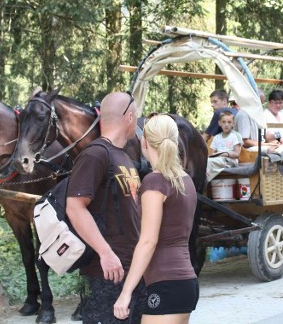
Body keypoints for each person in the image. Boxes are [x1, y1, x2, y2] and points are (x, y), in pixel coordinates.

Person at [66, 91, 145, 324]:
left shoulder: (123, 156)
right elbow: (75, 207)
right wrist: (105, 252)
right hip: (106, 274)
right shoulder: (95, 155)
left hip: (130, 271)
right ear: (129, 117)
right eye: (137, 114)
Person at [113, 114, 199, 323]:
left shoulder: (155, 182)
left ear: (144, 141)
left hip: (166, 284)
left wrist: (126, 292)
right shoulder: (185, 180)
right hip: (185, 281)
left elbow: (148, 242)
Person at [206, 111, 243, 181]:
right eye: (224, 122)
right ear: (219, 123)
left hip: (230, 160)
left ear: (233, 123)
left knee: (208, 162)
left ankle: (204, 183)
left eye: (229, 122)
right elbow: (212, 153)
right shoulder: (217, 137)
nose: (226, 125)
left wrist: (223, 154)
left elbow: (236, 154)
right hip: (218, 160)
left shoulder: (235, 135)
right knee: (205, 161)